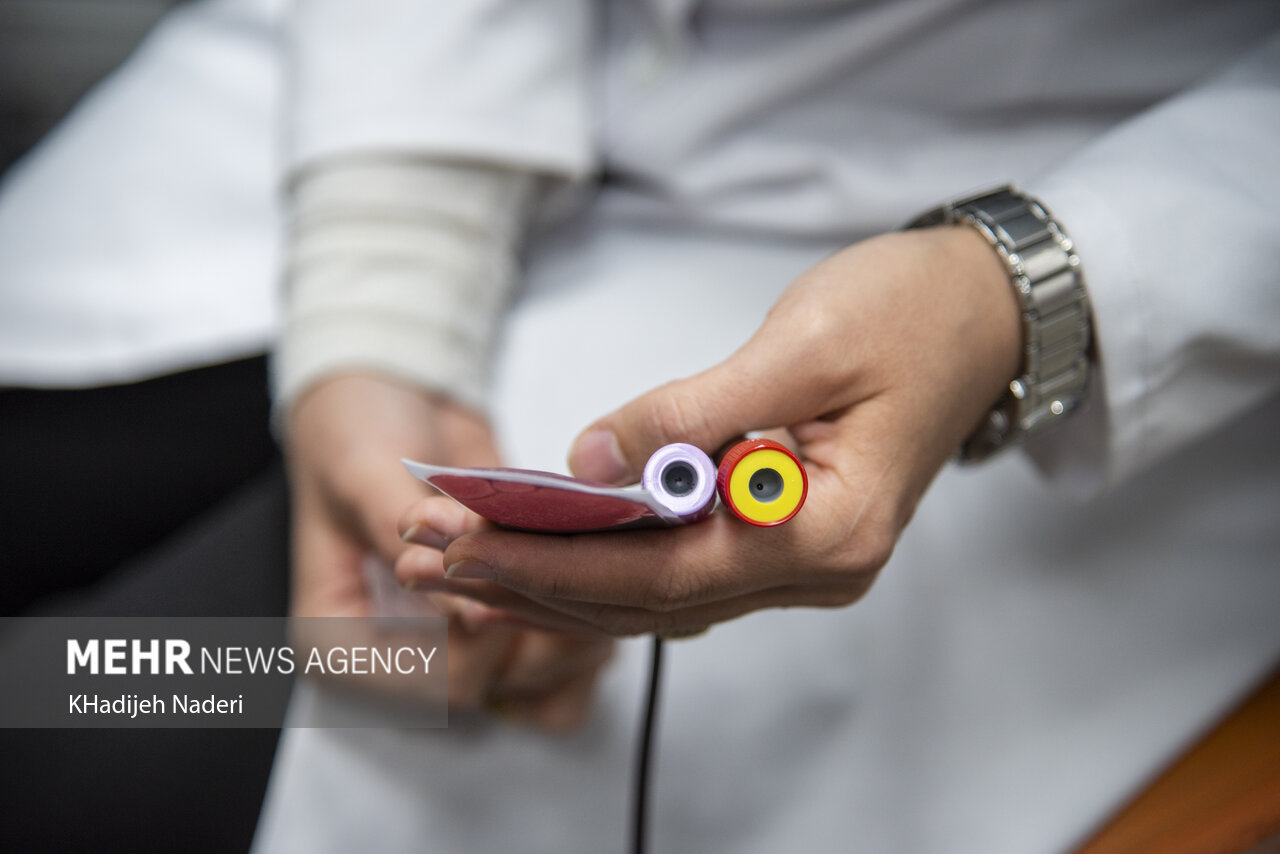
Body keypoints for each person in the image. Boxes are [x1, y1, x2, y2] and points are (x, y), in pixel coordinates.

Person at [256, 2, 1280, 852]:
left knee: (166, 683)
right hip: (417, 160)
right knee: (168, 644)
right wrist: (381, 302)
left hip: (1046, 309)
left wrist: (1017, 301)